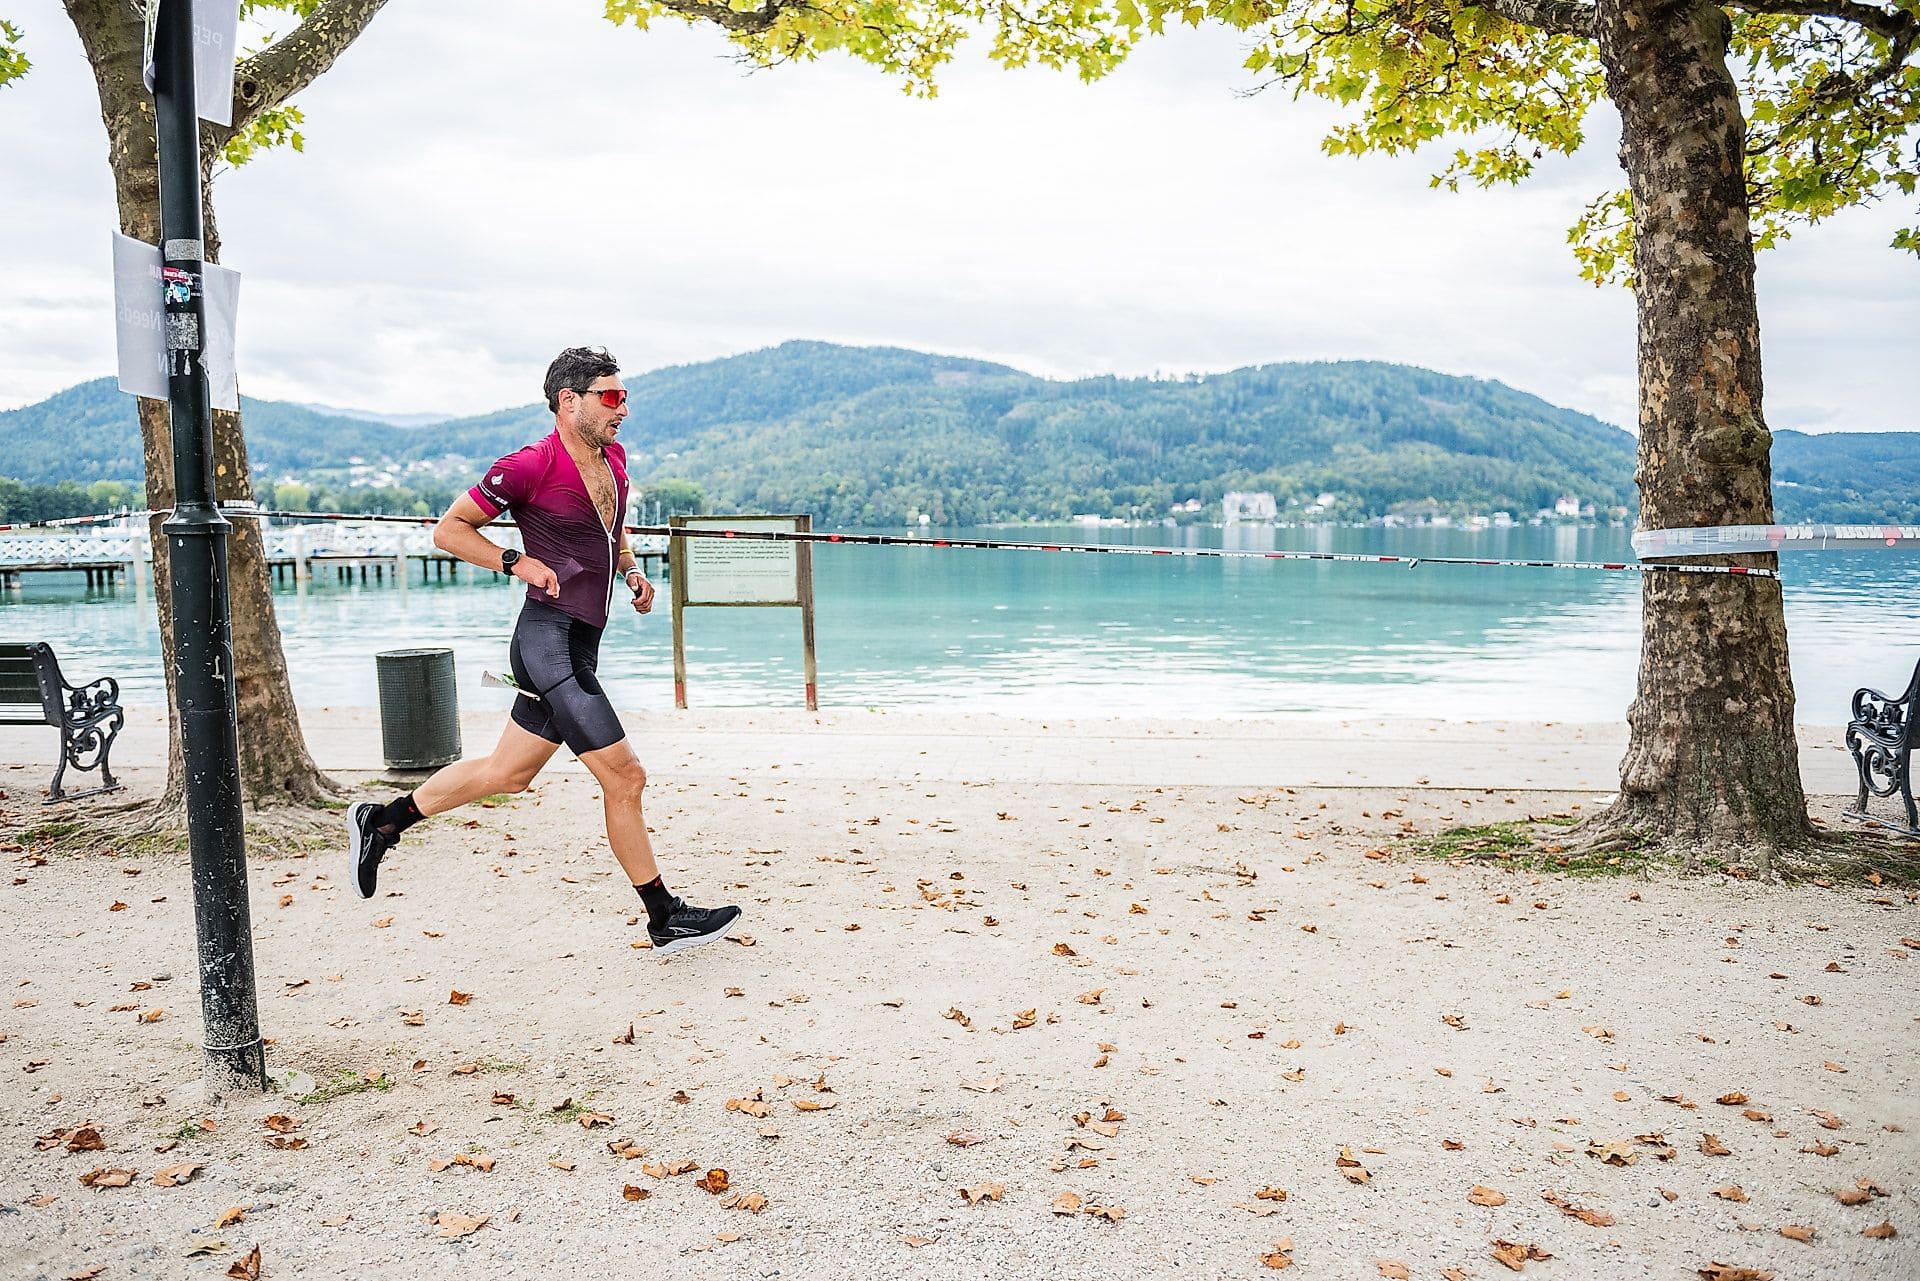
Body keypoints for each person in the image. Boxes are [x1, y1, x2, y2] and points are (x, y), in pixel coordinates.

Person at [344, 346, 740, 956]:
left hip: (584, 638)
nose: (623, 409)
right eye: (611, 397)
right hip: (547, 641)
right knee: (626, 776)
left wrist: (631, 571)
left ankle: (383, 821)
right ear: (569, 401)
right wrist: (516, 560)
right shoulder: (530, 465)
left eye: (625, 396)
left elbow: (611, 528)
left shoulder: (614, 457)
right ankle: (664, 915)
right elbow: (450, 530)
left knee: (509, 774)